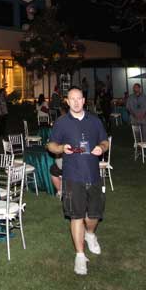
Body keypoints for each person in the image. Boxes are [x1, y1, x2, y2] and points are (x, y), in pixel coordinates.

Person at [47, 86, 109, 276]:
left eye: (79, 98)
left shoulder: (95, 121)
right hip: (73, 176)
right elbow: (50, 145)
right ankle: (80, 255)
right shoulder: (62, 123)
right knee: (76, 216)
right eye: (72, 99)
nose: (75, 102)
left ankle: (90, 234)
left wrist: (101, 147)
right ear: (67, 101)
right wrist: (60, 148)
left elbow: (105, 141)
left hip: (93, 175)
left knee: (93, 216)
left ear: (84, 101)